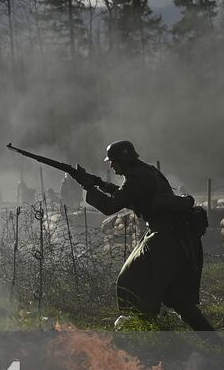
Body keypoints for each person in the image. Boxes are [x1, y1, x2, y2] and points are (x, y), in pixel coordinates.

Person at [79, 140, 214, 331]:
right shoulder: (144, 171)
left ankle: (146, 333)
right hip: (174, 235)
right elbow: (132, 198)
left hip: (165, 236)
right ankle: (211, 341)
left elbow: (110, 206)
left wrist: (88, 186)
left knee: (130, 281)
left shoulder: (136, 177)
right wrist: (101, 184)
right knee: (176, 298)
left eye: (113, 161)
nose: (111, 165)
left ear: (122, 160)